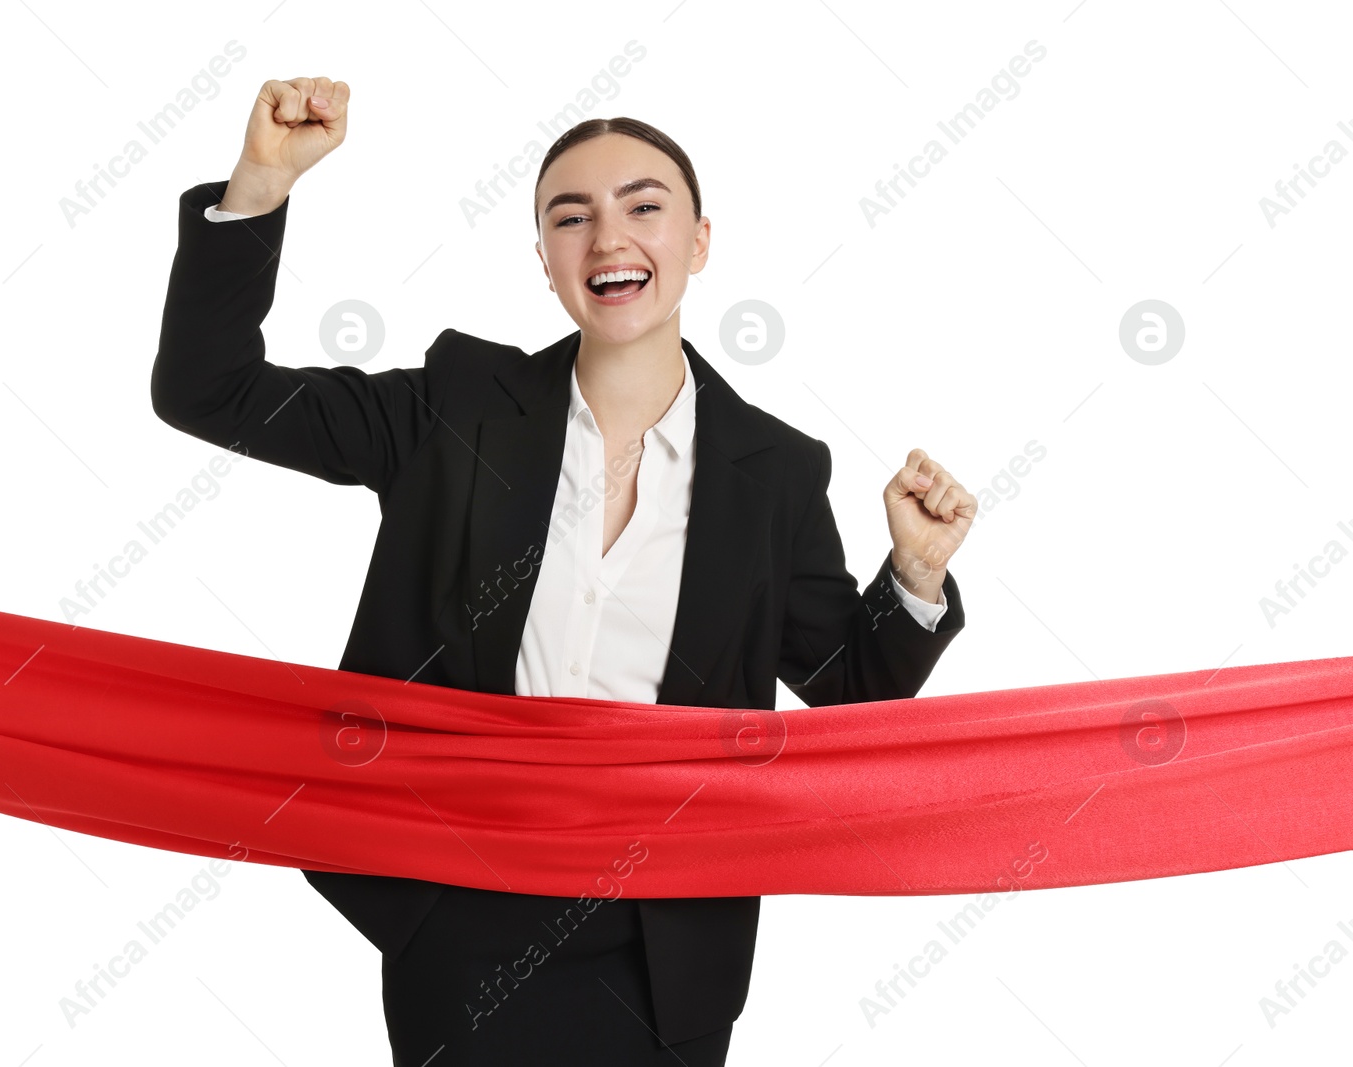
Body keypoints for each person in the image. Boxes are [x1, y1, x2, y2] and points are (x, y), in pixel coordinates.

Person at [150, 76, 975, 1067]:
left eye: (643, 206)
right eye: (569, 216)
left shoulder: (776, 470)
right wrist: (261, 182)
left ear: (700, 243)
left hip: (665, 943)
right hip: (458, 922)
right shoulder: (455, 406)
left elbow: (851, 689)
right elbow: (209, 390)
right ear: (544, 259)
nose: (607, 237)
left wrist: (913, 575)